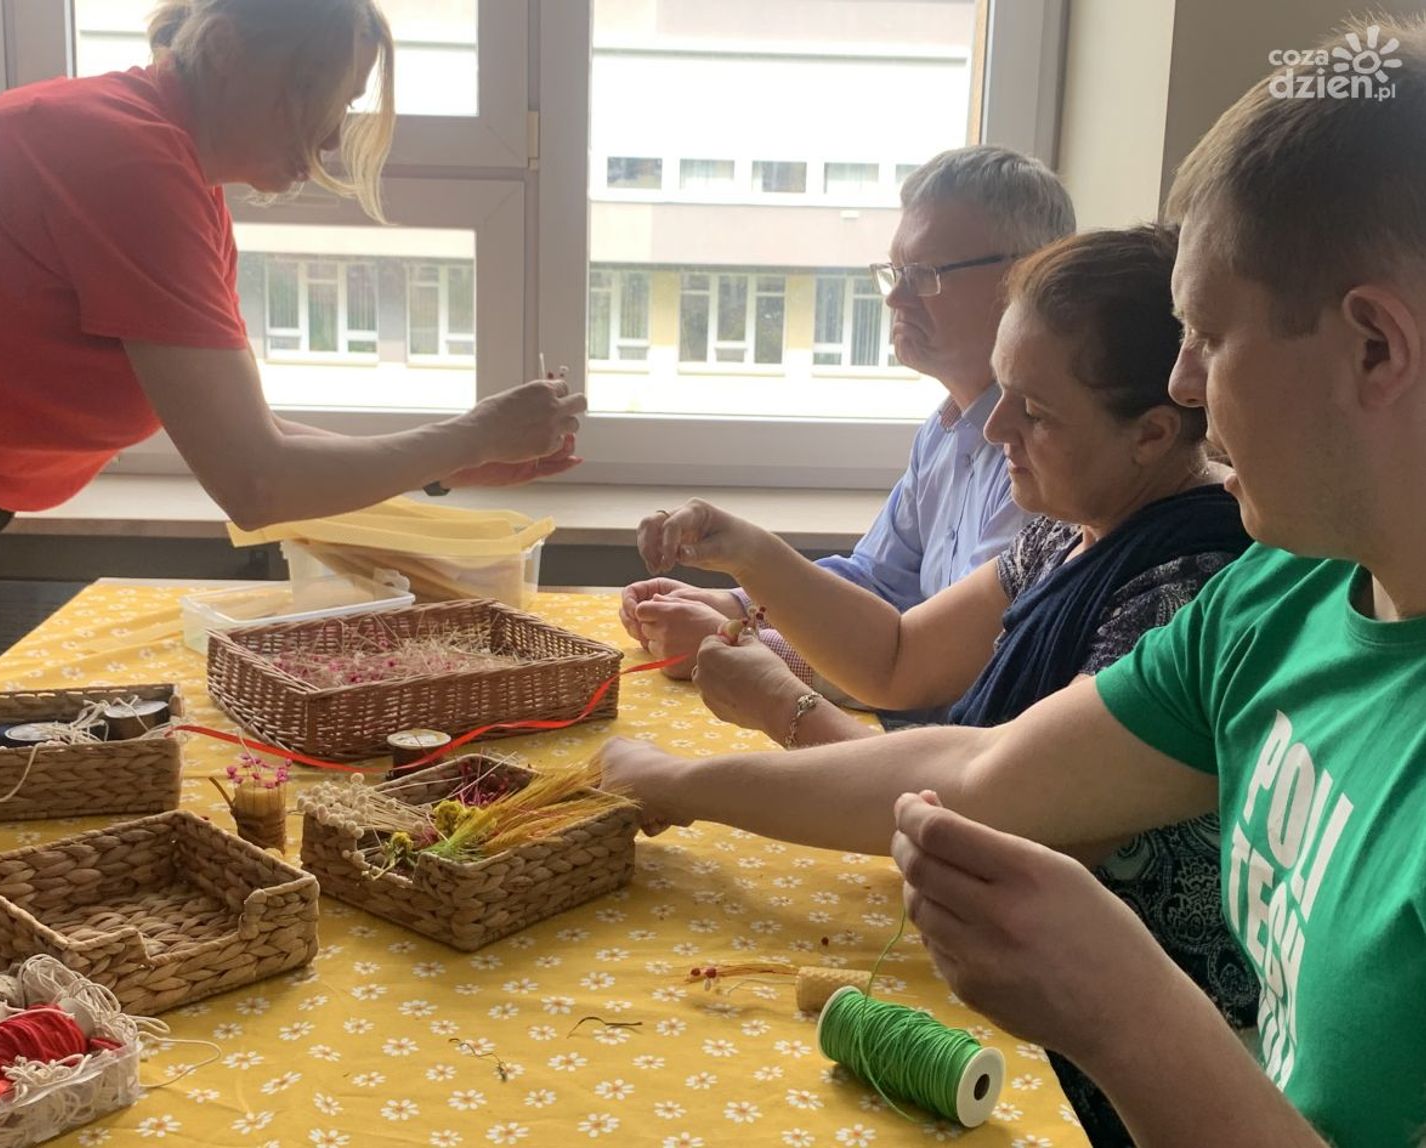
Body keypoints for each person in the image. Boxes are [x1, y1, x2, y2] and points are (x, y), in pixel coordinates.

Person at [601, 15, 1426, 1146]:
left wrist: (1126, 1013)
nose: (1186, 384)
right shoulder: (1279, 598)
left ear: (1375, 347)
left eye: (1208, 335)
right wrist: (684, 778)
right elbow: (977, 770)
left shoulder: (1213, 572)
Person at [631, 225, 1256, 1145]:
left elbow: (979, 811)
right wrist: (749, 553)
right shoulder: (1075, 528)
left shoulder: (1186, 589)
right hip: (1026, 980)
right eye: (1002, 396)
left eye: (1033, 412)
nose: (994, 431)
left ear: (1154, 433)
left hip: (1137, 1070)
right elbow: (896, 657)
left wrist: (718, 752)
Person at [0, 0, 585, 737]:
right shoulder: (131, 162)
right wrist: (467, 439)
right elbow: (257, 481)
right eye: (315, 90)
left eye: (346, 103)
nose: (331, 135)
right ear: (226, 50)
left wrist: (451, 457)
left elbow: (243, 429)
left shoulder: (167, 163)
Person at [619, 146, 1073, 706]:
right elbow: (877, 581)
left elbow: (956, 668)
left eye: (925, 275)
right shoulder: (943, 430)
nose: (896, 297)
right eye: (895, 272)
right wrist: (739, 605)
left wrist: (737, 642)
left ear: (1025, 277)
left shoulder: (1043, 459)